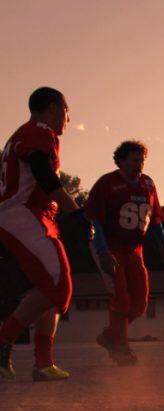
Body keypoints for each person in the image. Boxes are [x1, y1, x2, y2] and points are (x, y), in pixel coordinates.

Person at [0, 87, 94, 382]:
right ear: (52, 108)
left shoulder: (27, 134)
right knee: (56, 282)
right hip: (21, 213)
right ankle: (3, 341)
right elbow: (44, 174)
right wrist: (76, 212)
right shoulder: (39, 130)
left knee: (53, 290)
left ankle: (43, 361)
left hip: (31, 214)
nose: (69, 117)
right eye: (67, 110)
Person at [85, 140, 164, 366]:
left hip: (135, 250)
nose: (139, 164)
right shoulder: (107, 183)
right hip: (110, 247)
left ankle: (111, 336)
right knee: (121, 299)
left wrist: (163, 242)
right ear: (121, 161)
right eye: (134, 160)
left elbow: (155, 219)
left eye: (142, 160)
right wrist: (103, 252)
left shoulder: (148, 184)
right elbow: (95, 221)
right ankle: (121, 350)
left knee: (140, 303)